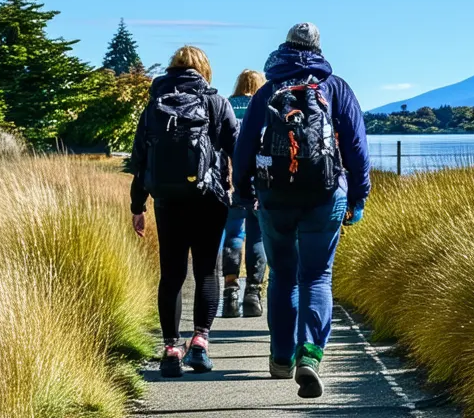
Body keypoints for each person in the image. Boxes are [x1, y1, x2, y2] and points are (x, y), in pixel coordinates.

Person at [233, 23, 370, 399]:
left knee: (282, 276)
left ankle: (279, 358)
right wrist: (358, 197)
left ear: (285, 47)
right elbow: (356, 147)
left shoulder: (268, 90)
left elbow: (244, 146)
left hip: (274, 197)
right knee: (316, 276)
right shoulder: (335, 87)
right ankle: (308, 354)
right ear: (319, 49)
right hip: (326, 195)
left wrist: (244, 190)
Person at [130, 46, 237, 378]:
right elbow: (237, 146)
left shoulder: (153, 107)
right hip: (210, 198)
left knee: (172, 272)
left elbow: (140, 162)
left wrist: (138, 206)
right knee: (207, 270)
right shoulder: (216, 102)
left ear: (172, 69)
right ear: (204, 70)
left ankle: (171, 349)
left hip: (167, 200)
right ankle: (201, 343)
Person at [221, 69, 268, 318]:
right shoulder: (264, 106)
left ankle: (230, 293)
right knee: (257, 235)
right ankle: (253, 292)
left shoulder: (227, 105)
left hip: (229, 180)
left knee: (233, 233)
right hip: (258, 181)